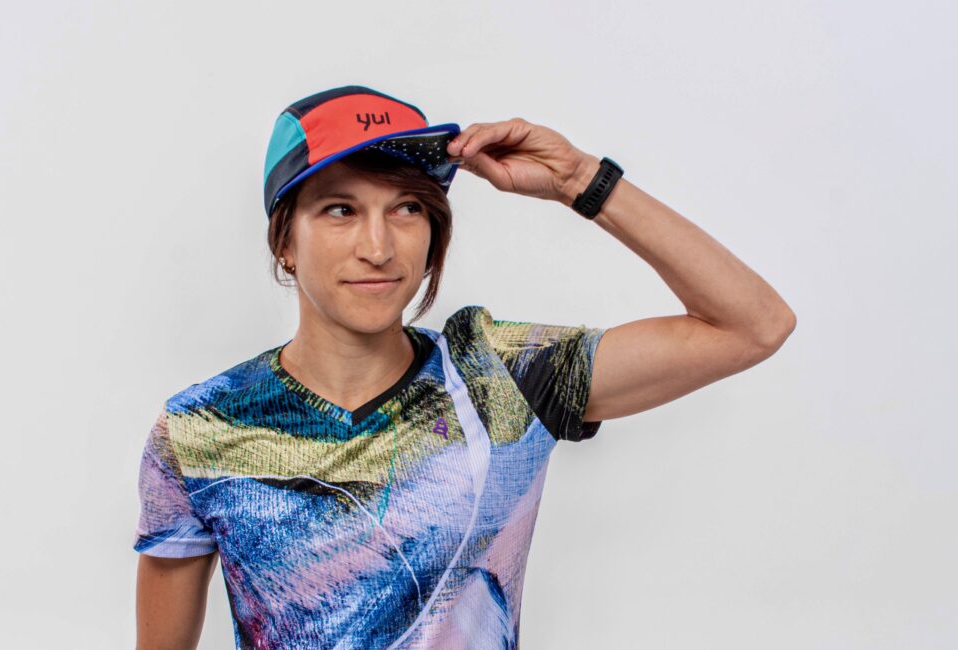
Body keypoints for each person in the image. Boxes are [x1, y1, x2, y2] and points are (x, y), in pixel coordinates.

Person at [132, 84, 796, 650]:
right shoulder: (200, 428)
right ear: (285, 240)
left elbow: (753, 326)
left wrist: (579, 181)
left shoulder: (498, 378)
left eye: (407, 208)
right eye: (341, 210)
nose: (378, 247)